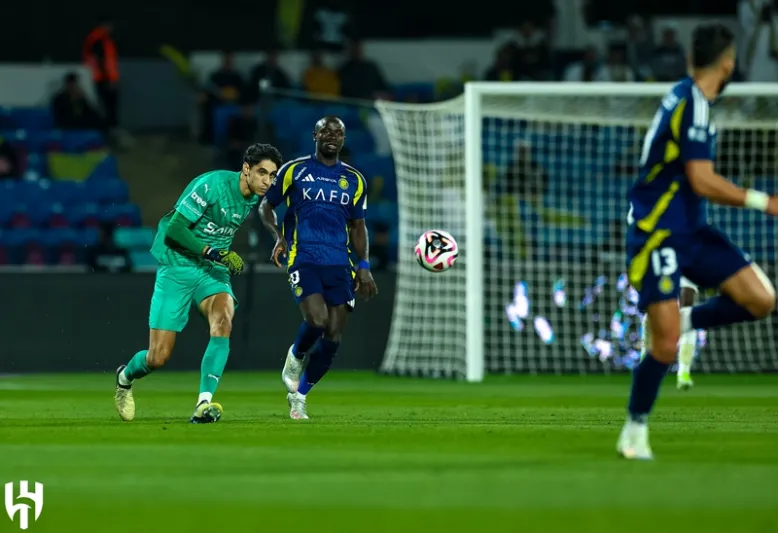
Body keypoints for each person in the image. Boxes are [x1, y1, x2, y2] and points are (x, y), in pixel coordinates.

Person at [621, 23, 778, 460]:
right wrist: (765, 201)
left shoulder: (690, 98)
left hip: (691, 229)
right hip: (658, 233)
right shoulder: (692, 104)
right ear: (728, 63)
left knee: (761, 300)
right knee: (665, 346)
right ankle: (634, 432)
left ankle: (687, 320)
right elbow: (701, 179)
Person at [114, 143, 283, 424]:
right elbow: (175, 230)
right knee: (158, 357)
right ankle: (124, 377)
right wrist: (215, 252)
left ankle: (203, 403)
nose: (267, 180)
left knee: (224, 320)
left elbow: (272, 209)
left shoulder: (257, 195)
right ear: (246, 169)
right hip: (177, 266)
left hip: (212, 271)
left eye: (272, 175)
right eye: (262, 173)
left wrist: (279, 237)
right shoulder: (211, 185)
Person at [259, 116, 378, 420]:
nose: (332, 136)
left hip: (340, 263)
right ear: (314, 135)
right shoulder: (295, 171)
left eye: (338, 132)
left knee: (334, 337)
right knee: (316, 321)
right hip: (304, 256)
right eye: (326, 130)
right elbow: (266, 206)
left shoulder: (354, 179)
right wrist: (279, 237)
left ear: (343, 139)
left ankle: (299, 397)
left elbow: (358, 226)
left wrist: (364, 267)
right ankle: (296, 355)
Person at [639, 278, 699, 390]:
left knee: (688, 315)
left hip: (684, 273)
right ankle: (645, 368)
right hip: (662, 273)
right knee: (650, 317)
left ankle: (684, 373)